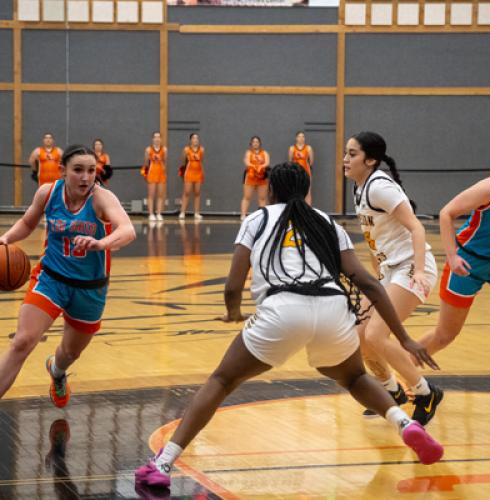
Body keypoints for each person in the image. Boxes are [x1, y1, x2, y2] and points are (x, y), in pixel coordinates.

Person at [135, 162, 443, 489]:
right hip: (333, 309)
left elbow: (232, 284)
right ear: (307, 190)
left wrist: (234, 313)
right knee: (354, 377)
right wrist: (405, 337)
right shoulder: (326, 222)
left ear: (271, 190)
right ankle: (405, 422)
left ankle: (163, 463)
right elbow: (368, 282)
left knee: (222, 380)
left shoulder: (257, 218)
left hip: (282, 309)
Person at [0, 144, 136, 408]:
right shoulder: (48, 193)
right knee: (22, 341)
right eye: (78, 170)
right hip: (50, 278)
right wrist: (6, 237)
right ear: (62, 171)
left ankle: (57, 371)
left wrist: (101, 243)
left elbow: (128, 230)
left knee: (70, 352)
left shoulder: (101, 198)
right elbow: (28, 223)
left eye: (90, 170)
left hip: (90, 287)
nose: (86, 177)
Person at [344, 131, 443, 423]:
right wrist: (375, 279)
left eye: (352, 154)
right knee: (358, 335)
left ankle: (425, 392)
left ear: (371, 159)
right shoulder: (359, 187)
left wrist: (422, 271)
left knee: (376, 334)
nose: (345, 159)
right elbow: (374, 240)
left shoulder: (379, 187)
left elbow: (417, 228)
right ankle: (391, 390)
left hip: (412, 266)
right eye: (346, 153)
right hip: (390, 270)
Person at [418, 173, 490, 354]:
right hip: (468, 261)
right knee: (445, 335)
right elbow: (446, 213)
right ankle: (404, 369)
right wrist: (452, 256)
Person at [240, 136, 270, 221]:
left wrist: (261, 167)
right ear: (251, 143)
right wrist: (256, 167)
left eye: (257, 142)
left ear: (260, 143)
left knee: (262, 198)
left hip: (262, 177)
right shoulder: (248, 153)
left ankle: (263, 215)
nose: (255, 143)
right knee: (247, 197)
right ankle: (243, 215)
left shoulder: (264, 153)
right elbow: (247, 162)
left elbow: (267, 163)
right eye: (254, 142)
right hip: (250, 177)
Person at [179, 133, 204, 221]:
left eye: (197, 138)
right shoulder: (186, 149)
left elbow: (201, 161)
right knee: (187, 192)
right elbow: (182, 162)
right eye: (194, 138)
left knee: (197, 193)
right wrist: (182, 173)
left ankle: (196, 213)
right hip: (189, 173)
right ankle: (182, 212)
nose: (196, 140)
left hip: (198, 173)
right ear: (190, 140)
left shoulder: (202, 149)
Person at [143, 132, 167, 222]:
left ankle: (159, 213)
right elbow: (145, 163)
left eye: (158, 137)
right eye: (155, 137)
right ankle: (151, 214)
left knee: (160, 195)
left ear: (161, 139)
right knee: (151, 194)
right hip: (152, 172)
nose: (157, 139)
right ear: (152, 139)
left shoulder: (164, 149)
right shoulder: (148, 150)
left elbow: (165, 161)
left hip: (161, 173)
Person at [288, 131, 314, 204]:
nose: (301, 138)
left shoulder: (308, 148)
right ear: (296, 138)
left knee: (308, 191)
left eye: (303, 136)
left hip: (306, 172)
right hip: (295, 173)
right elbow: (290, 161)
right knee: (295, 191)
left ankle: (308, 210)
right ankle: (296, 208)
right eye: (299, 136)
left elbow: (311, 161)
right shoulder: (292, 148)